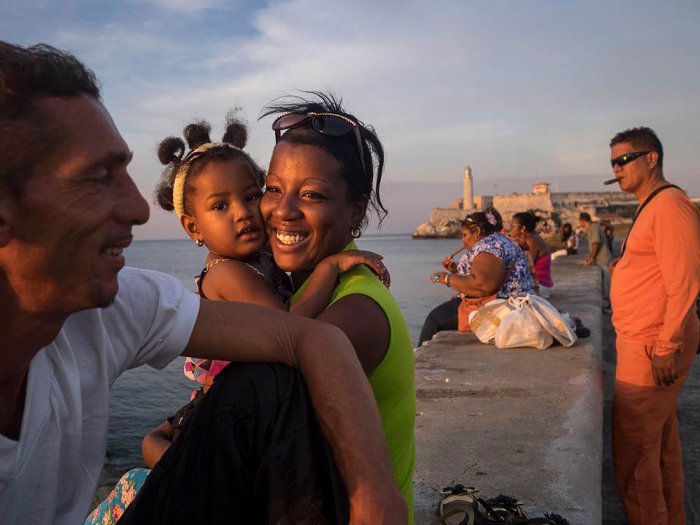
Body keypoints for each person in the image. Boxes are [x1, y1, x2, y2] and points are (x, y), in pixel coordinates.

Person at [0, 42, 405, 525]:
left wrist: (375, 499)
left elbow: (307, 338)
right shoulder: (226, 274)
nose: (140, 208)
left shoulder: (119, 307)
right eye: (96, 178)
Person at [86, 115, 392, 524]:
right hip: (231, 408)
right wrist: (328, 269)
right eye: (220, 206)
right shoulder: (227, 272)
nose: (244, 214)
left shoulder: (265, 263)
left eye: (251, 196)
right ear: (192, 226)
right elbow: (288, 330)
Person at [259, 92, 417, 524]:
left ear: (355, 211)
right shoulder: (311, 289)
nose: (283, 210)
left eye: (310, 195)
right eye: (272, 188)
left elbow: (254, 423)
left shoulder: (355, 313)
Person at [607, 126, 700, 525]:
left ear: (651, 158)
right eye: (613, 163)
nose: (616, 169)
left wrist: (667, 346)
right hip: (645, 341)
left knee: (635, 455)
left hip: (652, 345)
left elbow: (686, 282)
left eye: (624, 160)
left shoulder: (669, 205)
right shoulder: (652, 206)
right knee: (659, 448)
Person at [419, 208, 535, 345]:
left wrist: (446, 278)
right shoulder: (500, 241)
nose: (463, 240)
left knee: (435, 319)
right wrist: (456, 271)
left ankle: (418, 364)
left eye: (465, 235)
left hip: (503, 307)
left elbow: (483, 285)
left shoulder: (489, 246)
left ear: (478, 232)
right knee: (448, 307)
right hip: (515, 302)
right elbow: (486, 274)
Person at [510, 211, 553, 298]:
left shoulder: (532, 240)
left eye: (513, 226)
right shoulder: (531, 237)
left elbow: (525, 266)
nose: (510, 229)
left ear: (523, 228)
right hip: (539, 284)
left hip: (540, 287)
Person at [579, 211, 612, 312]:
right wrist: (590, 258)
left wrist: (591, 258)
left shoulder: (594, 228)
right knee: (604, 284)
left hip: (604, 260)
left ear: (583, 221)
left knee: (607, 285)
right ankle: (607, 305)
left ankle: (609, 307)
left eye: (580, 221)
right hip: (601, 260)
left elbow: (595, 244)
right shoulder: (592, 228)